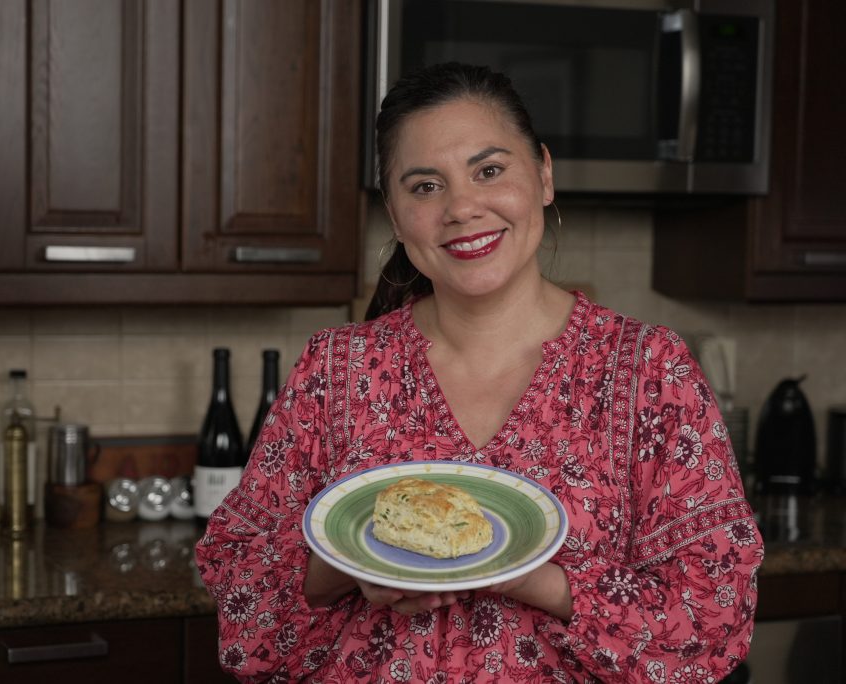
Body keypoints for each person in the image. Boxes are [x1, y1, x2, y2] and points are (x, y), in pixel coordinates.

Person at [196, 62, 763, 683]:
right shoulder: (335, 370)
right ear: (393, 210)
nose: (463, 208)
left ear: (543, 174)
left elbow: (711, 619)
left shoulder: (651, 371)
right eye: (424, 186)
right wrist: (350, 566)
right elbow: (242, 605)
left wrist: (527, 576)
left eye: (489, 171)